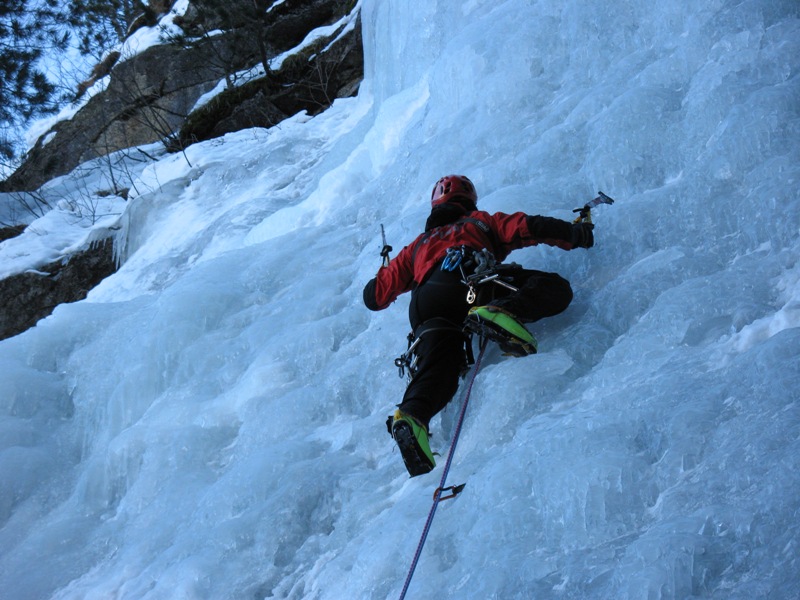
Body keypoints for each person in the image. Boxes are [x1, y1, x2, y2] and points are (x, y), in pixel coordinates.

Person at [363, 175, 595, 476]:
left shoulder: (416, 247)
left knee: (440, 369)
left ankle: (411, 416)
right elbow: (530, 227)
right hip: (470, 280)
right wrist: (577, 233)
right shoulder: (479, 222)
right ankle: (500, 311)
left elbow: (374, 297)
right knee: (553, 286)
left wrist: (383, 269)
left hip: (426, 305)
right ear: (469, 202)